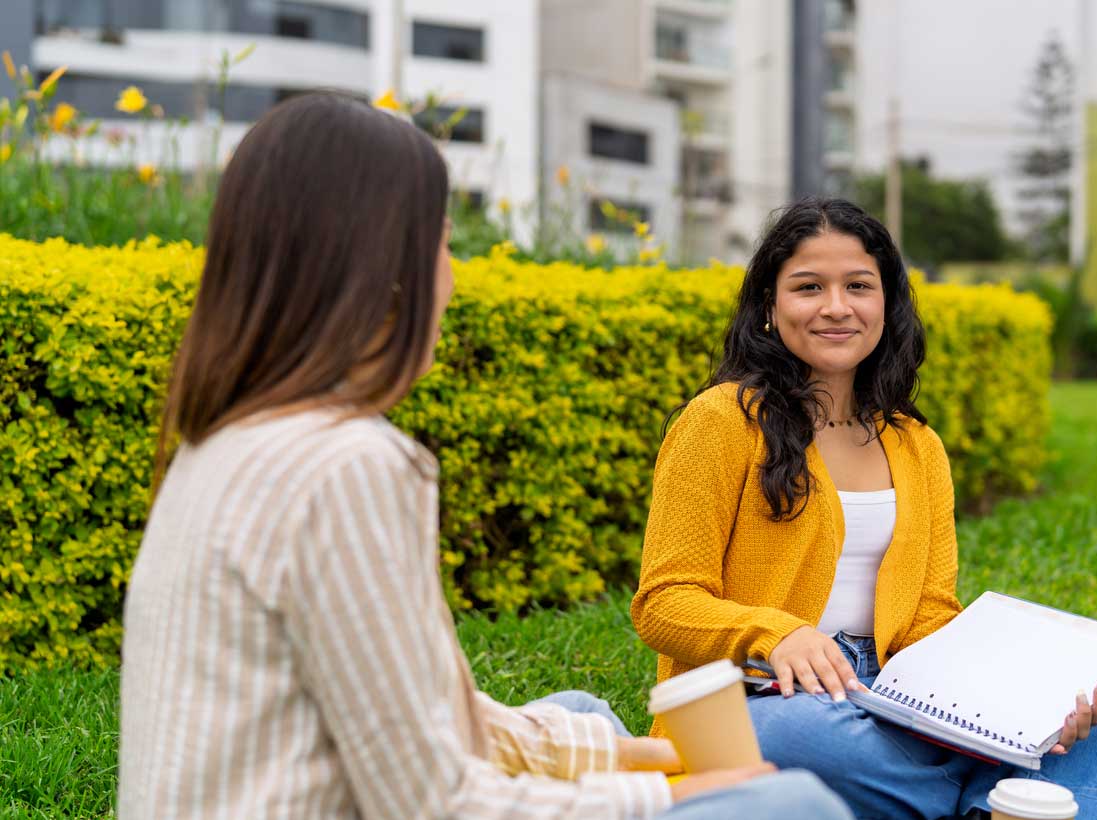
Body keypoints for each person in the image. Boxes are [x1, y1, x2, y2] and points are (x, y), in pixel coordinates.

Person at [116, 93, 853, 820]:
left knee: (583, 716)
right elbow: (433, 801)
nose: (452, 275)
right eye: (440, 242)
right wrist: (670, 794)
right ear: (385, 270)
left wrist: (638, 757)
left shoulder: (223, 438)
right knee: (791, 803)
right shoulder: (345, 468)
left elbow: (426, 708)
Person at [630, 197, 1097, 820]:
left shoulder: (917, 446)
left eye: (858, 286)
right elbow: (664, 601)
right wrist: (776, 633)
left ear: (886, 305)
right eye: (809, 287)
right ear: (768, 307)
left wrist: (1022, 697)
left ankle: (998, 773)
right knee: (800, 736)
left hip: (900, 691)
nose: (836, 307)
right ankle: (1003, 796)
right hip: (770, 695)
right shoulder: (722, 422)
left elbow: (928, 614)